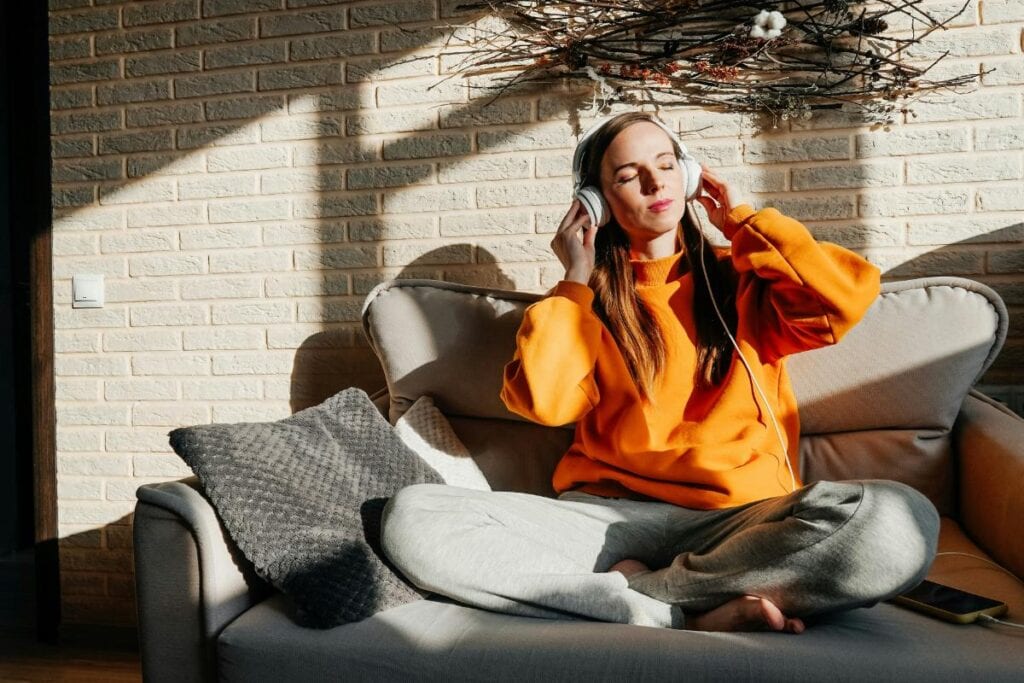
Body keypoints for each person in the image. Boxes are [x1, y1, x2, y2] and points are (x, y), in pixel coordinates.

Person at [381, 111, 940, 633]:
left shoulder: (743, 277)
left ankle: (645, 594)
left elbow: (840, 300)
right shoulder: (582, 303)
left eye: (667, 165)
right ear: (597, 203)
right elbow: (546, 402)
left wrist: (742, 221)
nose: (655, 184)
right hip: (605, 522)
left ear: (689, 175)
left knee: (898, 523)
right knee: (413, 518)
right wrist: (575, 278)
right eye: (629, 175)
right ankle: (678, 612)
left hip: (741, 523)